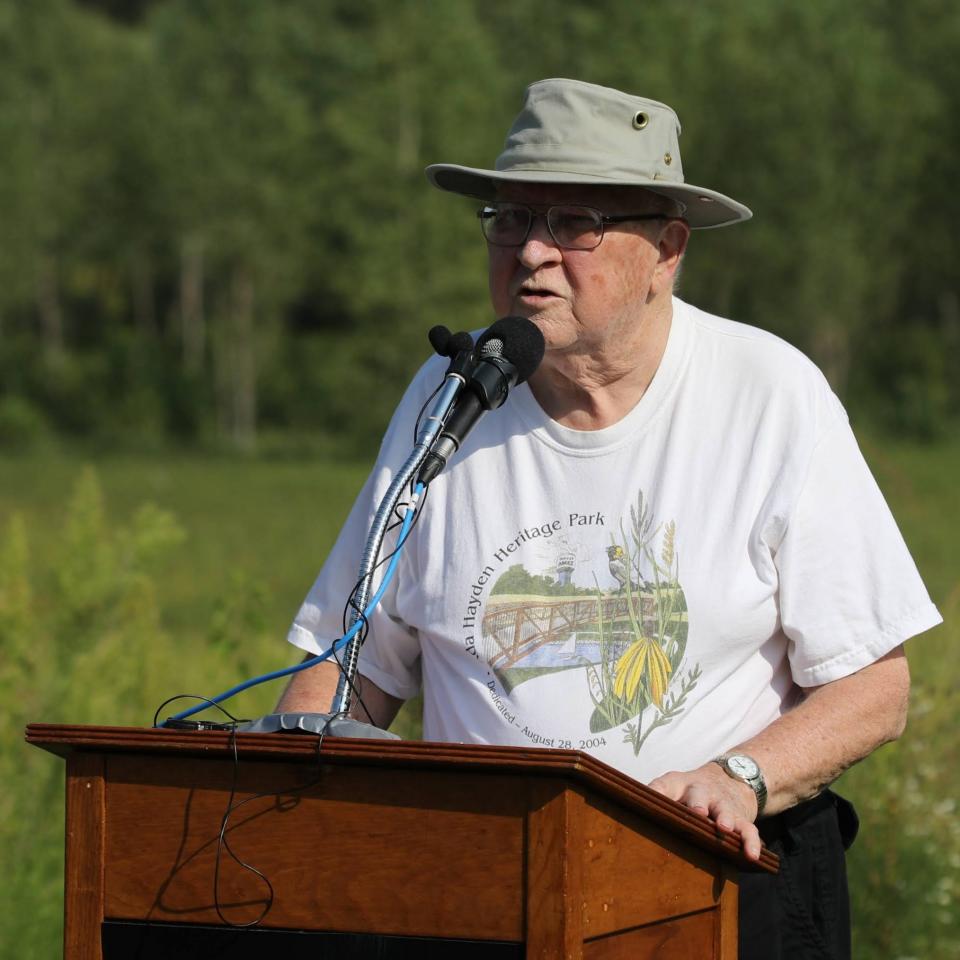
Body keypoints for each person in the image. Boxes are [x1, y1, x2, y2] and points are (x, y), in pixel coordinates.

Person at [277, 78, 941, 958]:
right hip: (475, 897)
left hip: (711, 886)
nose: (532, 253)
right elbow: (353, 667)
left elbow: (872, 688)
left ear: (667, 249)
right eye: (510, 218)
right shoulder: (451, 397)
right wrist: (283, 787)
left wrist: (740, 777)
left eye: (575, 222)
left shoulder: (769, 396)